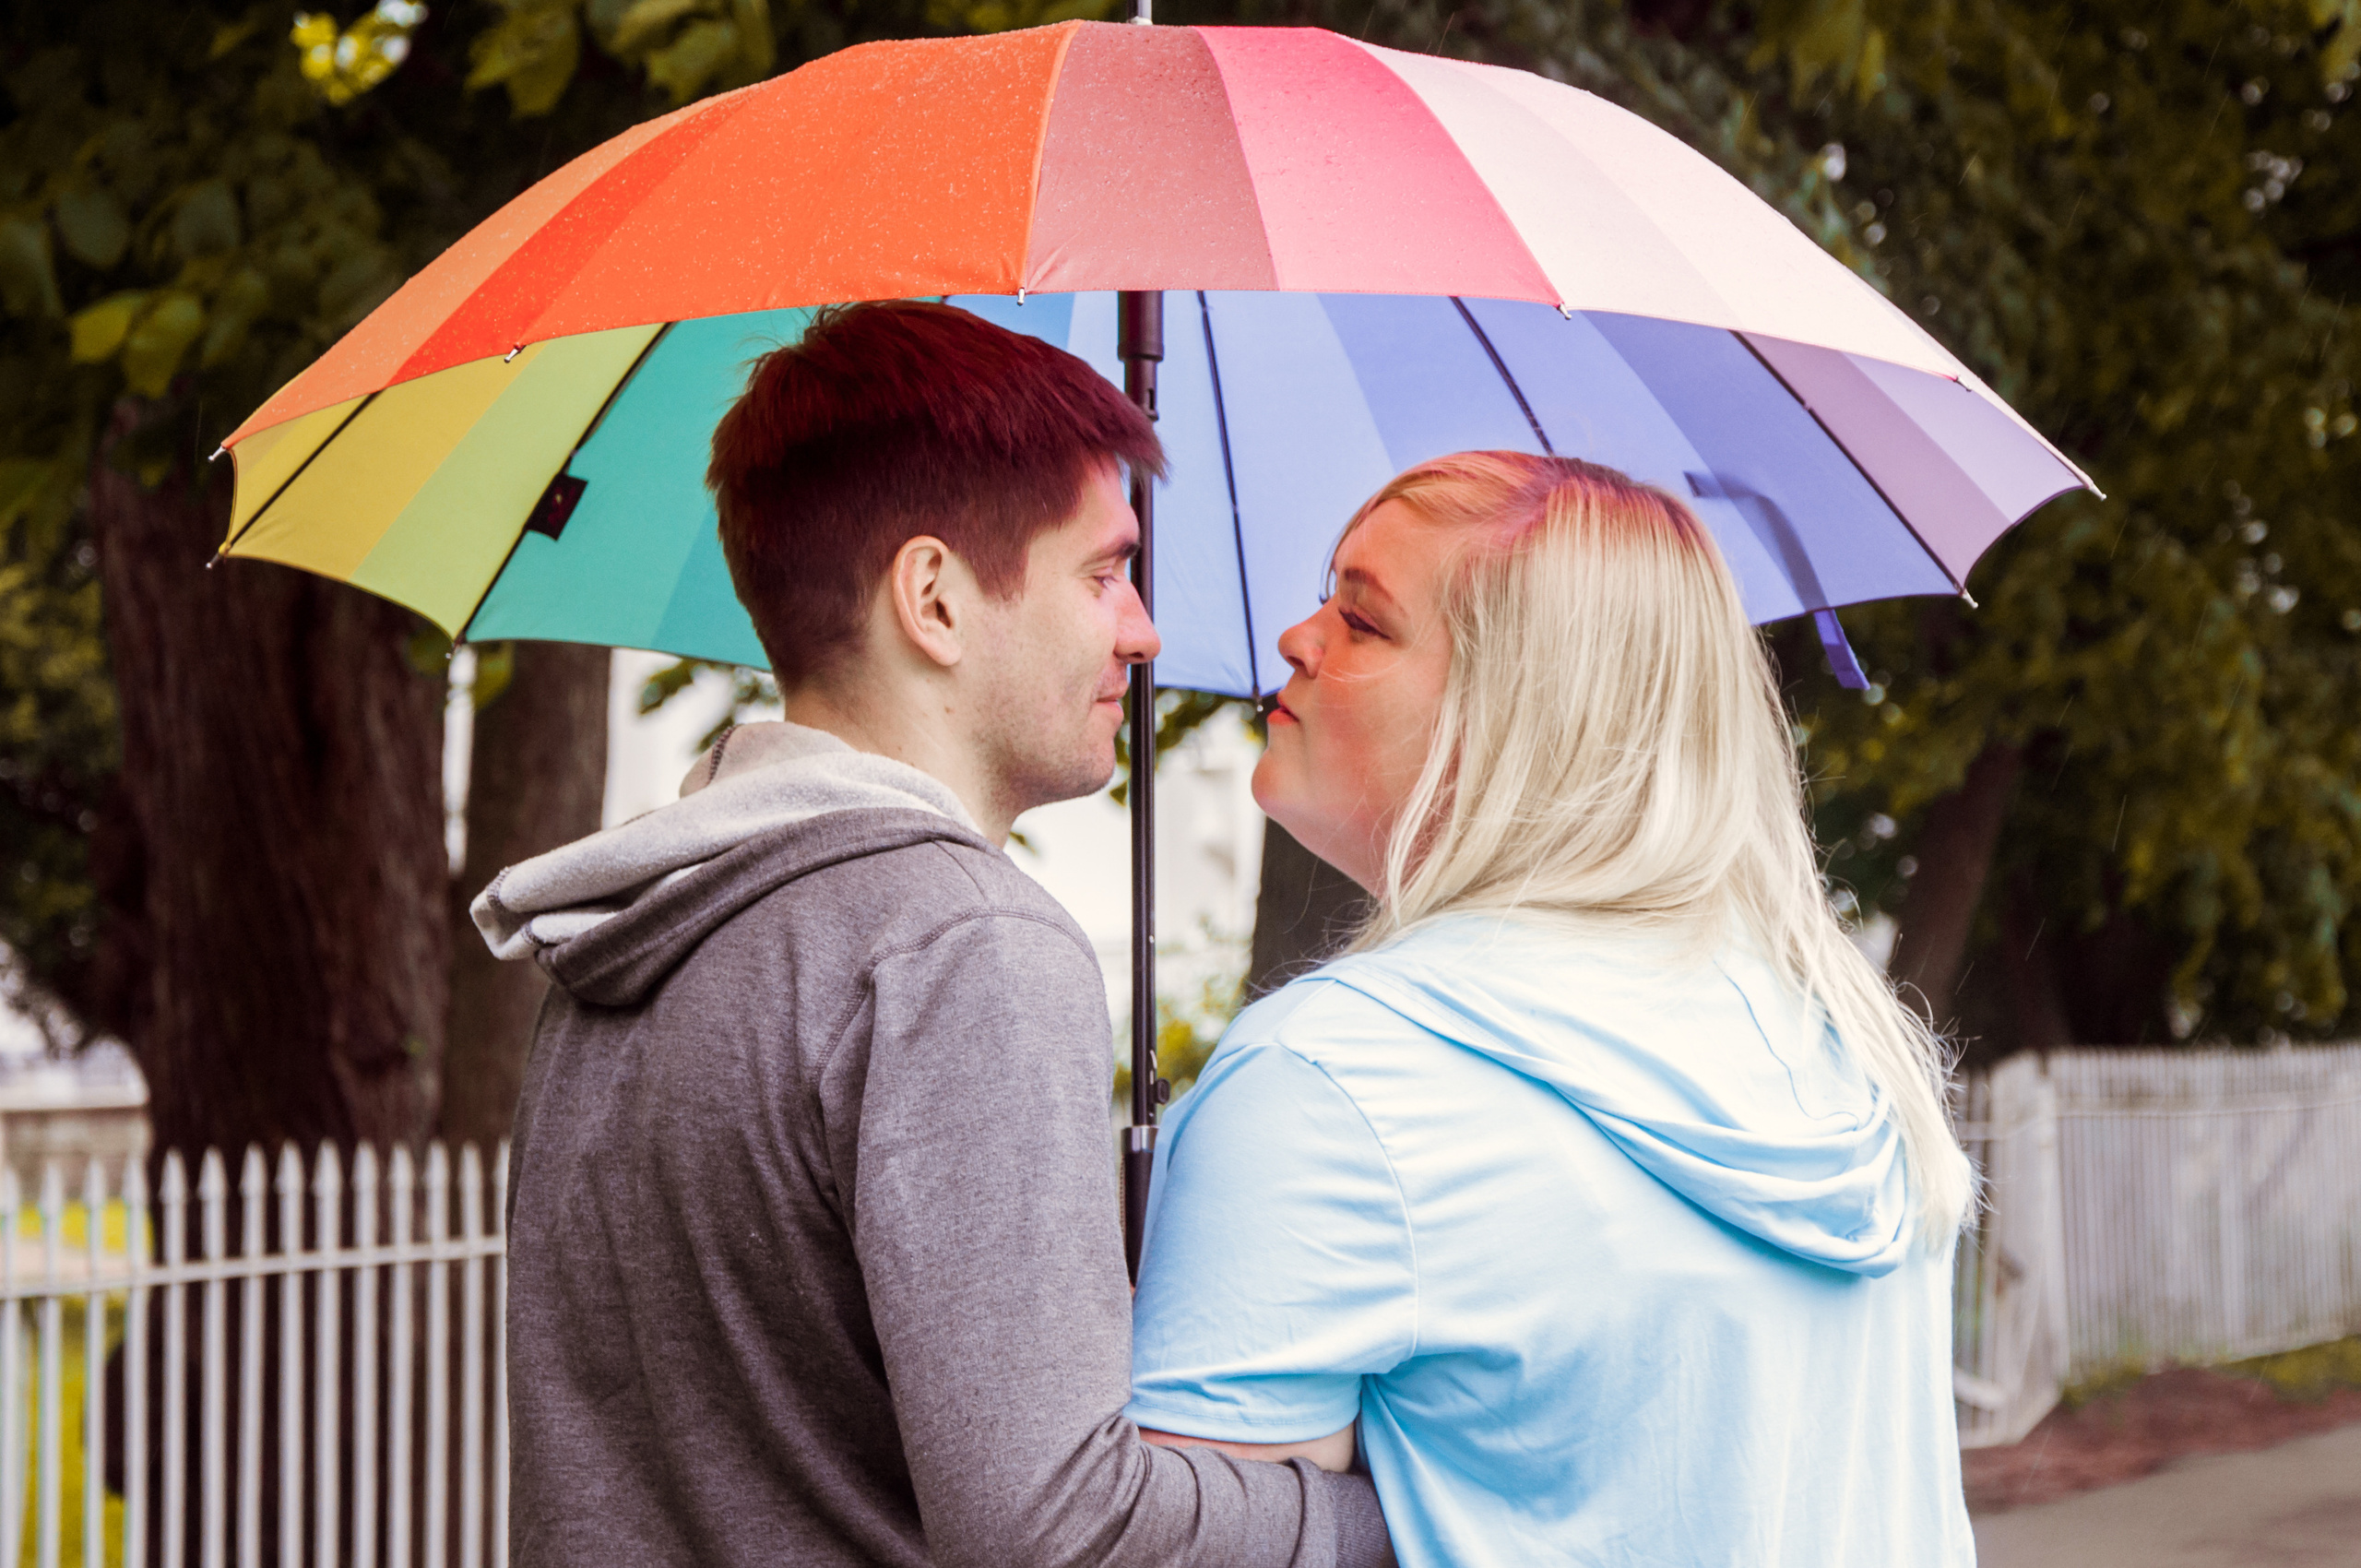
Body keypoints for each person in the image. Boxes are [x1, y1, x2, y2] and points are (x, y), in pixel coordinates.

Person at [478, 302, 1394, 1568]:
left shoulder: (631, 935)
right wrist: (1397, 1517)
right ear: (936, 601)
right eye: (1103, 572)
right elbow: (1061, 1531)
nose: (1142, 630)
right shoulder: (963, 948)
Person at [1126, 452, 1977, 1566]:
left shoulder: (1334, 1083)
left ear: (1522, 716)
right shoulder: (1832, 1039)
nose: (1296, 637)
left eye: (1361, 620)